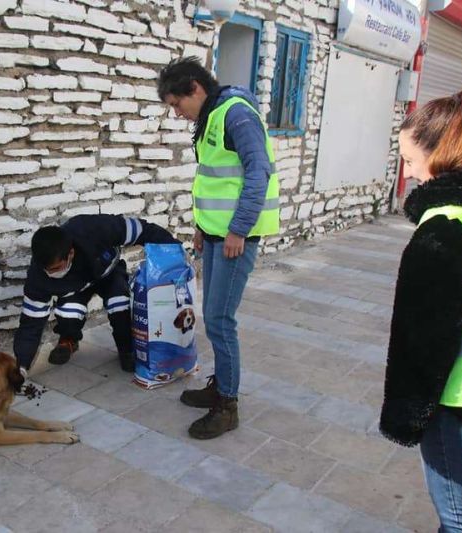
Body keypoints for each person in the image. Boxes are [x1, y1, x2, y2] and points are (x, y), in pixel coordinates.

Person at [380, 87, 462, 532]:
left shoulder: (447, 227)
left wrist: (406, 414)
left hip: (460, 396)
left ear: (446, 154)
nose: (407, 171)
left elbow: (421, 343)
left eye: (411, 160)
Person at [157, 57, 280, 440]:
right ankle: (220, 386)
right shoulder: (211, 116)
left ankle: (227, 405)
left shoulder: (235, 115)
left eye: (177, 104)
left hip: (234, 238)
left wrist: (238, 230)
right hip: (215, 234)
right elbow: (213, 181)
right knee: (214, 316)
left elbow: (257, 172)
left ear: (195, 88)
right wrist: (201, 228)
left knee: (220, 319)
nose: (177, 114)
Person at [13, 214, 180, 372]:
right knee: (68, 311)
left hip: (108, 273)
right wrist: (22, 365)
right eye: (46, 270)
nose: (50, 273)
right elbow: (31, 323)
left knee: (119, 302)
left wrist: (174, 249)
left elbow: (141, 229)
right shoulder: (38, 276)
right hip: (76, 288)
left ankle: (127, 350)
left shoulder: (92, 229)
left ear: (70, 253)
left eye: (55, 268)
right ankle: (68, 341)